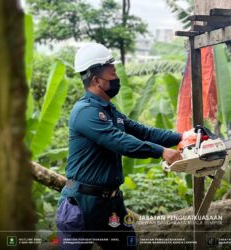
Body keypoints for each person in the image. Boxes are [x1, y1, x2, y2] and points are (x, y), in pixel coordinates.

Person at [56, 43, 184, 250]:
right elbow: (120, 141)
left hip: (112, 203)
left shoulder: (109, 111)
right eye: (113, 75)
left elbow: (143, 132)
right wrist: (161, 152)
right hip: (83, 202)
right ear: (97, 80)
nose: (117, 79)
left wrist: (182, 137)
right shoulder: (85, 112)